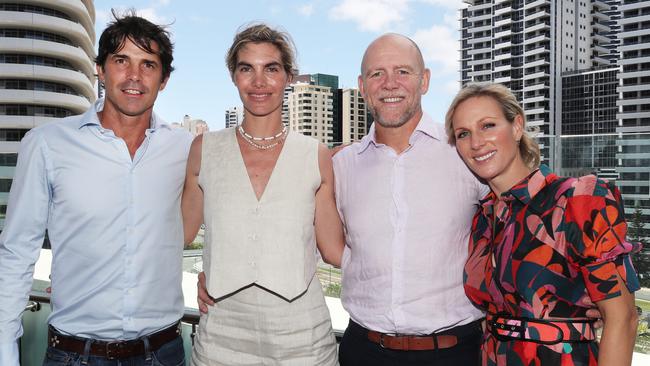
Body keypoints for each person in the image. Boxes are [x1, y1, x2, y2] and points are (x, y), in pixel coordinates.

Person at [0, 11, 192, 366]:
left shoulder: (187, 148)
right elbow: (16, 251)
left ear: (163, 79)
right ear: (101, 70)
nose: (134, 76)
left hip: (164, 353)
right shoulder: (46, 144)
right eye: (121, 60)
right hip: (74, 355)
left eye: (148, 64)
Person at [181, 23, 343, 365]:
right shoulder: (204, 149)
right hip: (221, 332)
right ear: (233, 76)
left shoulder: (315, 154)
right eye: (246, 69)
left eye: (271, 69)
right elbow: (177, 234)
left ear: (288, 77)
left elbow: (334, 250)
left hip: (302, 336)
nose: (259, 82)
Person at [445, 82, 640, 365]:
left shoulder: (577, 201)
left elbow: (623, 319)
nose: (476, 142)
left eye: (488, 125)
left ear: (516, 126)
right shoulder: (483, 219)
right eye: (464, 133)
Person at [331, 33, 488, 365]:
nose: (390, 84)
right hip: (363, 352)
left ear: (425, 80)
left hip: (454, 354)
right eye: (377, 74)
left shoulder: (466, 153)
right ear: (362, 85)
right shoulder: (341, 166)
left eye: (403, 71)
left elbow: (523, 215)